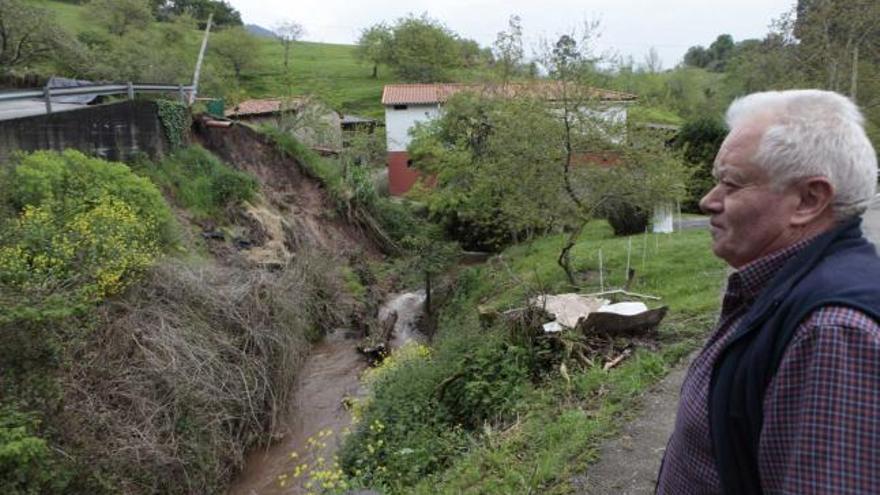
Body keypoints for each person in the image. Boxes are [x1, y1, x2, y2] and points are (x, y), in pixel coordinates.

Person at [656, 89, 880, 494]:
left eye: (731, 183)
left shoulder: (834, 331)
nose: (708, 201)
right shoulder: (783, 287)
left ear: (809, 200)